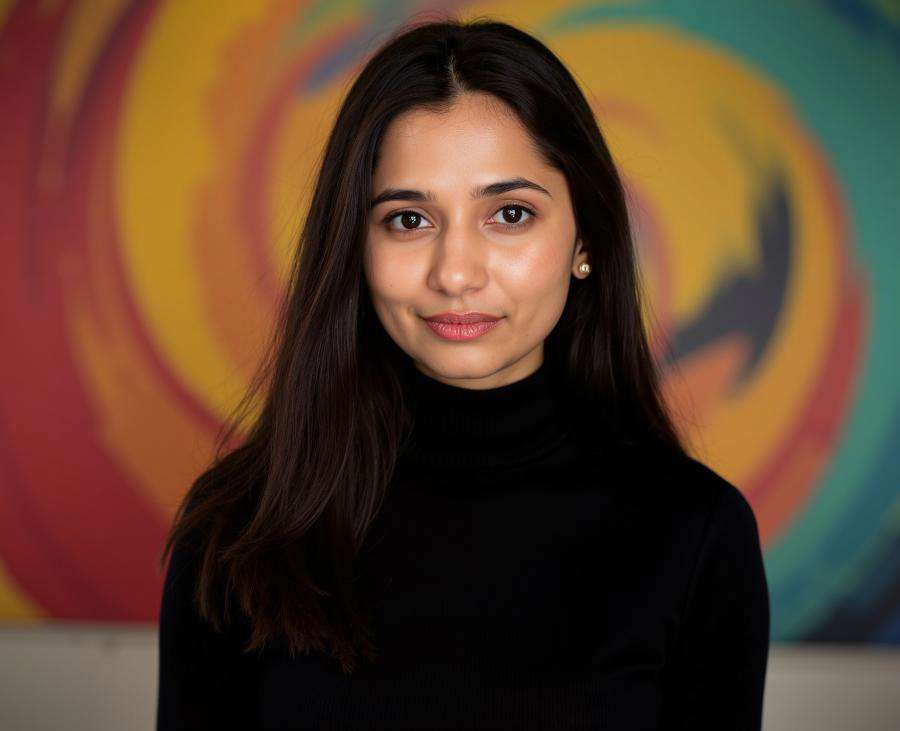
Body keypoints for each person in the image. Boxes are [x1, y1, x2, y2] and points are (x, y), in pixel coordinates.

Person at [156, 17, 770, 730]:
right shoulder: (239, 529)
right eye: (408, 220)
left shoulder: (696, 534)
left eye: (509, 213)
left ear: (586, 239)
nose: (454, 273)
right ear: (355, 246)